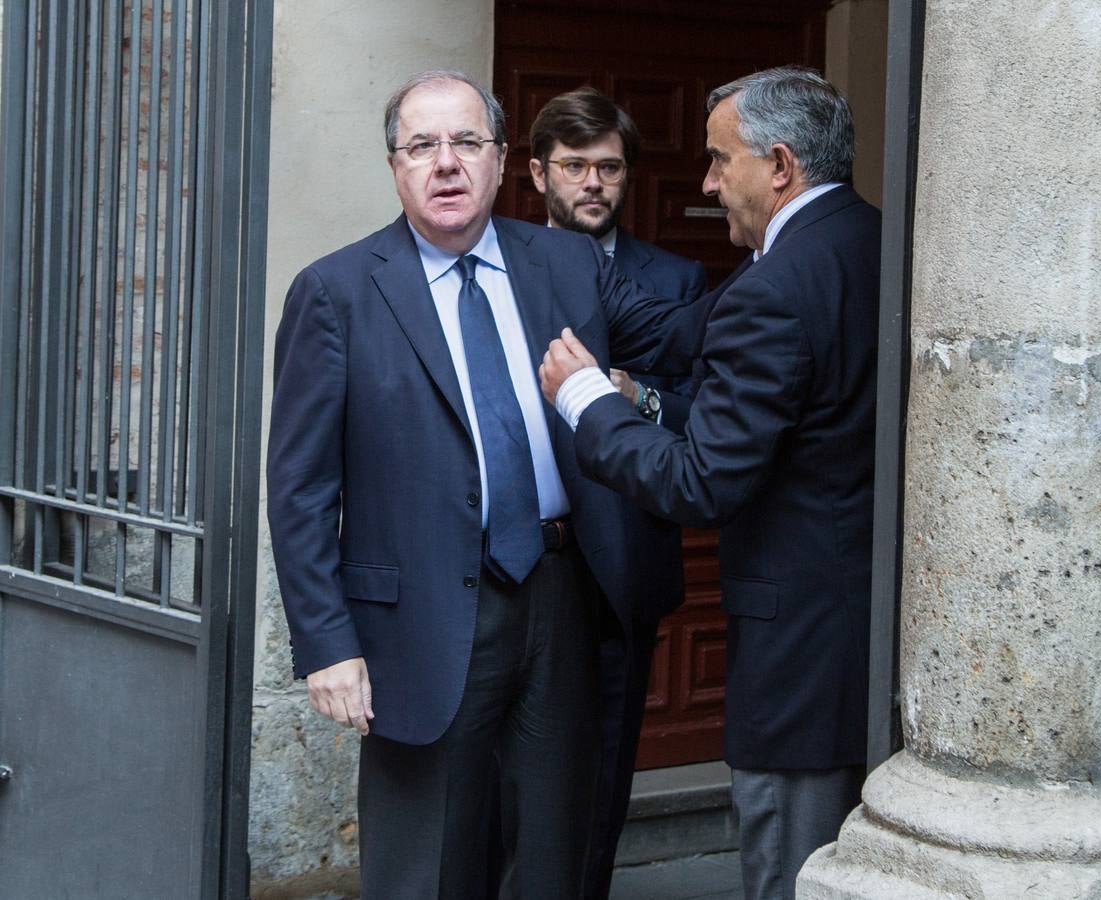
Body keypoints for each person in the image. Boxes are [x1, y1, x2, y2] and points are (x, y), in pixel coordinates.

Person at [266, 70, 699, 898]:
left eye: (466, 142)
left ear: (504, 162)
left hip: (561, 594)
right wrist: (328, 643)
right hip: (418, 617)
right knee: (425, 863)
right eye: (421, 146)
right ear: (394, 166)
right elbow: (300, 488)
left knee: (553, 852)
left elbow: (685, 338)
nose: (445, 163)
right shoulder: (337, 293)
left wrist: (798, 256)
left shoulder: (567, 264)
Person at [540, 66, 881, 900]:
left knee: (792, 875)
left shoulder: (776, 285)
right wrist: (537, 253)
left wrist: (589, 401)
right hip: (860, 644)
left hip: (799, 659)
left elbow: (701, 484)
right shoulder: (867, 241)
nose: (705, 183)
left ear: (778, 164)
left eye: (717, 161)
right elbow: (685, 329)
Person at [527, 86, 706, 900]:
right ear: (537, 175)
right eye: (574, 167)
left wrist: (632, 397)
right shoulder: (498, 268)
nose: (592, 183)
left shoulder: (675, 280)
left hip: (622, 558)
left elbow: (701, 416)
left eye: (608, 167)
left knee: (601, 770)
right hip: (520, 556)